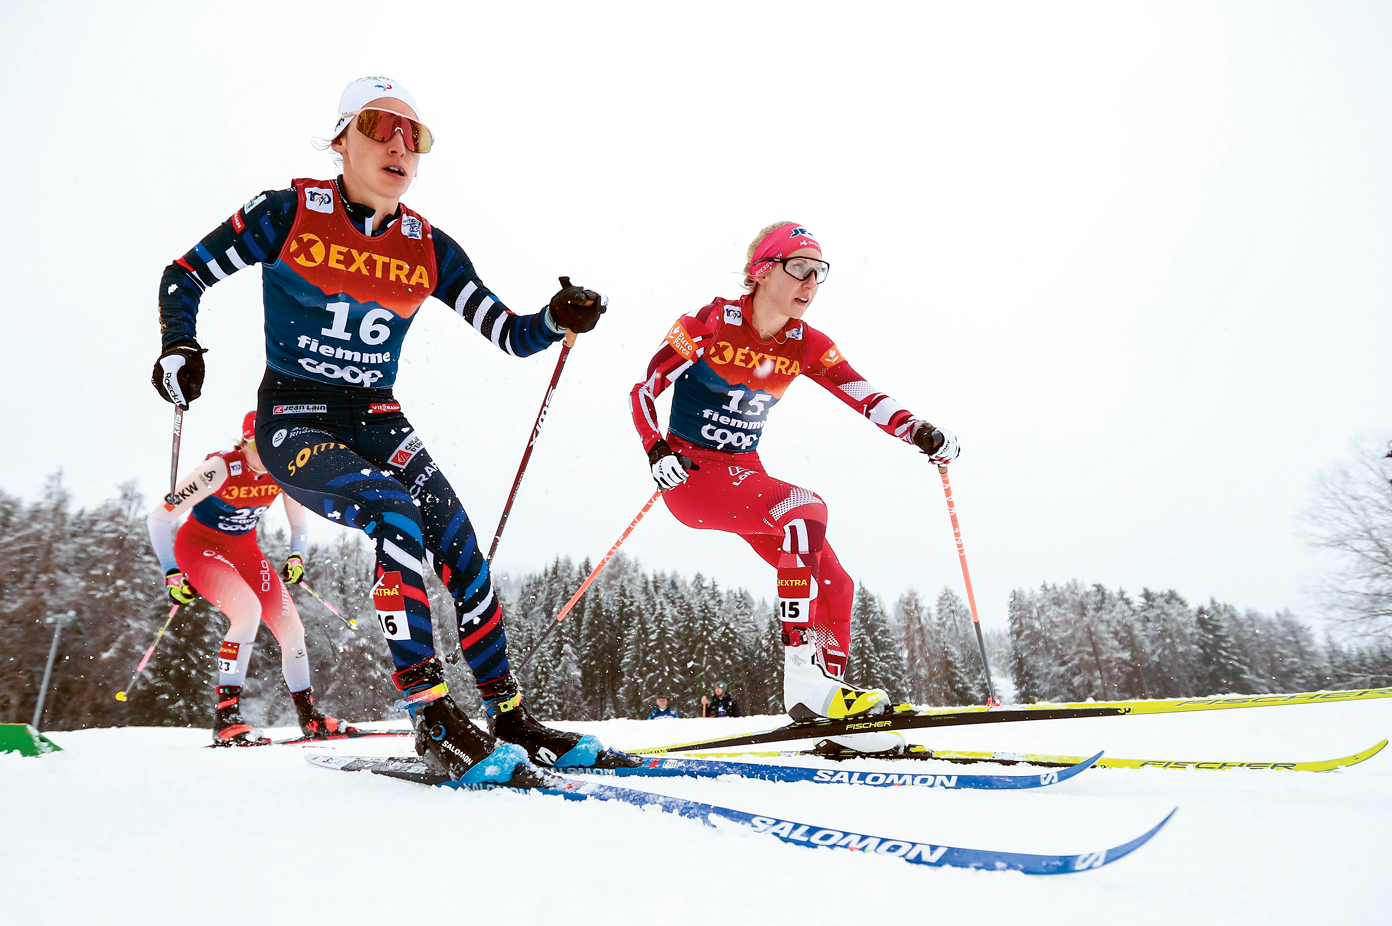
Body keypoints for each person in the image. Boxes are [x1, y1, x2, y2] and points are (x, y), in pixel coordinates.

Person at [151, 76, 638, 784]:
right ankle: (433, 718)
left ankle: (510, 718)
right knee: (393, 510)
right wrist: (178, 344)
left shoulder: (429, 246)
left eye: (417, 137)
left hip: (377, 414)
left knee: (457, 542)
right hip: (296, 414)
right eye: (382, 127)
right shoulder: (287, 212)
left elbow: (508, 332)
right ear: (342, 137)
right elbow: (184, 274)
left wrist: (557, 318)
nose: (400, 146)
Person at [629, 222, 960, 752]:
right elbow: (643, 389)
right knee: (805, 507)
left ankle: (828, 712)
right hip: (692, 476)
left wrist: (918, 429)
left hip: (744, 474)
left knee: (837, 586)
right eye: (799, 268)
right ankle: (804, 682)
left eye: (819, 273)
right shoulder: (708, 324)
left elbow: (864, 394)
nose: (810, 282)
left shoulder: (807, 344)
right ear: (761, 271)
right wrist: (656, 449)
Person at [145, 411, 356, 745]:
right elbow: (157, 518)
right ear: (244, 442)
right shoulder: (219, 469)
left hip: (244, 550)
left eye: (274, 447)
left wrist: (296, 556)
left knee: (292, 628)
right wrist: (171, 572)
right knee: (247, 612)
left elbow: (299, 525)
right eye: (258, 445)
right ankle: (226, 718)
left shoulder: (283, 470)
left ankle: (309, 717)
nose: (266, 455)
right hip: (200, 548)